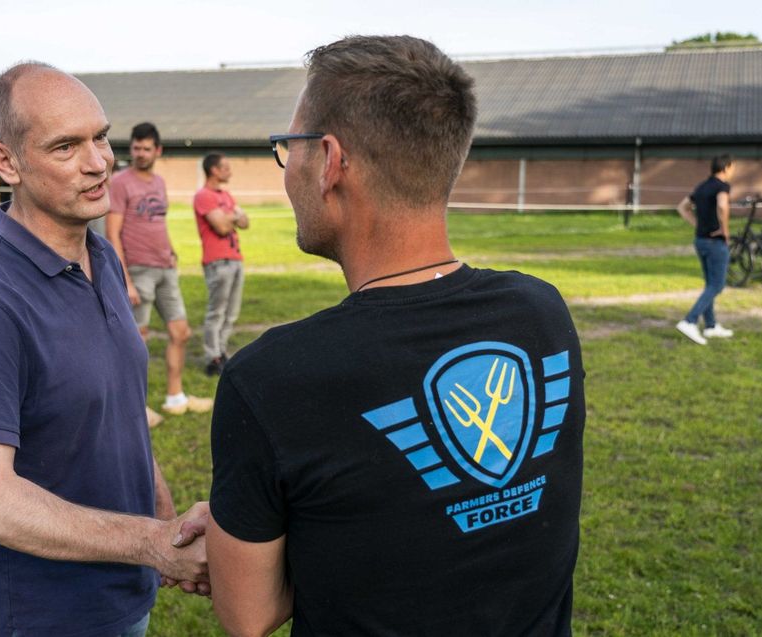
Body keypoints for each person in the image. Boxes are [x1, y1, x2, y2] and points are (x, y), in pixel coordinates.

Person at [207, 35, 586, 636]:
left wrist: (248, 528)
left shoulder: (272, 379)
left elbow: (249, 614)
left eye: (290, 147)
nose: (290, 168)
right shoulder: (540, 313)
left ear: (330, 160)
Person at [0, 62, 209, 637]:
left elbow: (119, 411)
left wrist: (165, 522)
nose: (99, 161)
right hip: (45, 615)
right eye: (66, 146)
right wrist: (153, 543)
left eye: (101, 137)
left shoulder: (101, 257)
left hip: (123, 591)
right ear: (7, 162)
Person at [106, 122, 211, 417]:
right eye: (136, 148)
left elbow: (156, 222)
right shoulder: (120, 182)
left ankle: (175, 398)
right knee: (137, 341)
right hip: (137, 271)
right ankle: (135, 410)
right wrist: (125, 280)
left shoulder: (159, 183)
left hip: (165, 268)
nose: (140, 153)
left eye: (146, 148)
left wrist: (171, 251)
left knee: (180, 332)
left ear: (158, 150)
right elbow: (113, 234)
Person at [194, 153, 248, 376]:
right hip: (218, 262)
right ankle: (212, 357)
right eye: (225, 167)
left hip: (236, 259)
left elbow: (245, 222)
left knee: (231, 313)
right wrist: (233, 215)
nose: (229, 171)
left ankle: (222, 351)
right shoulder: (204, 196)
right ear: (214, 170)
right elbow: (222, 227)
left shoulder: (226, 195)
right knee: (216, 312)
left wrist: (231, 216)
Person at [675, 155, 736, 345]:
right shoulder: (722, 186)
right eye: (733, 167)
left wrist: (698, 225)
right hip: (715, 242)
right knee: (717, 285)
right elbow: (722, 206)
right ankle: (690, 320)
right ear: (726, 168)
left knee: (710, 283)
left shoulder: (701, 187)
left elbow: (682, 207)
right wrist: (724, 231)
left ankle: (711, 326)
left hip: (700, 241)